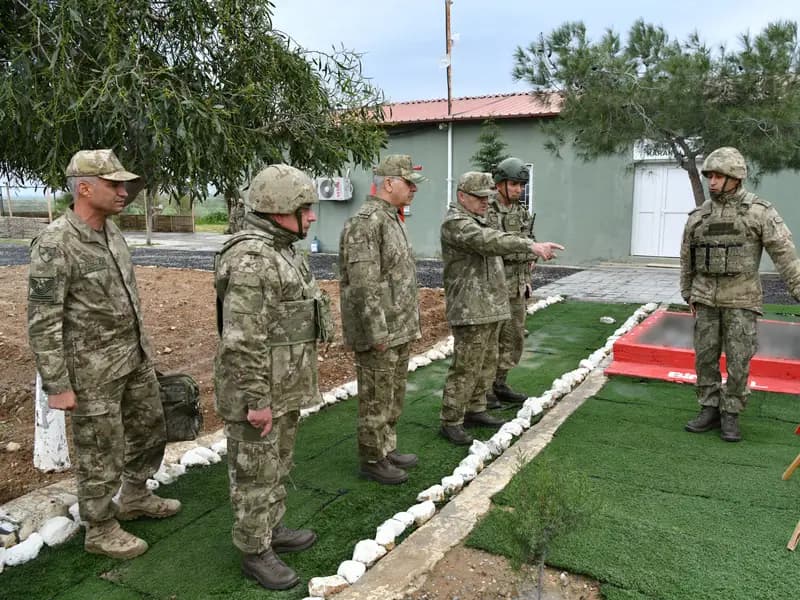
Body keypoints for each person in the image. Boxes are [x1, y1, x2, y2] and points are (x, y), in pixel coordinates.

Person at [27, 149, 180, 560]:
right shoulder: (55, 244)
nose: (123, 192)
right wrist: (57, 385)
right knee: (100, 450)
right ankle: (100, 528)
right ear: (84, 188)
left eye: (124, 185)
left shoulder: (112, 233)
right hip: (91, 372)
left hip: (133, 358)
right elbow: (42, 320)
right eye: (114, 185)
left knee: (150, 428)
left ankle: (134, 495)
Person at [214, 164, 331, 590]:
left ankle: (272, 528)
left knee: (276, 465)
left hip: (283, 386)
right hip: (260, 391)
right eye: (305, 208)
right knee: (254, 473)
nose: (312, 216)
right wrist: (257, 400)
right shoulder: (253, 259)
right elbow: (243, 339)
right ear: (280, 209)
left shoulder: (281, 250)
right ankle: (254, 549)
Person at [681, 146, 800, 442]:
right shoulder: (699, 216)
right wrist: (688, 293)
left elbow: (784, 254)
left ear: (735, 177)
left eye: (718, 176)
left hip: (741, 299)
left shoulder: (759, 212)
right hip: (705, 299)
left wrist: (797, 287)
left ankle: (731, 412)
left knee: (738, 359)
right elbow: (687, 257)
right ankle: (709, 407)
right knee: (704, 357)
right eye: (709, 176)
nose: (711, 182)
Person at [439, 172, 564, 446]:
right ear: (462, 196)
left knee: (486, 362)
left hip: (490, 303)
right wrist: (530, 246)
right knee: (466, 366)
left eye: (488, 197)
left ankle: (476, 409)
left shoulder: (479, 219)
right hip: (470, 307)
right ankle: (451, 420)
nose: (486, 202)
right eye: (480, 197)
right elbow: (489, 240)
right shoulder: (456, 223)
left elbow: (497, 238)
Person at [339, 154, 426, 485]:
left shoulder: (392, 219)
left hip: (398, 326)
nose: (414, 189)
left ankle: (387, 447)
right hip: (381, 331)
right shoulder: (366, 222)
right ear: (389, 183)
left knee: (393, 393)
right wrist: (377, 332)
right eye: (409, 183)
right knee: (376, 397)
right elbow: (364, 284)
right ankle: (372, 458)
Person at [485, 157, 536, 408]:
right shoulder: (487, 210)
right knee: (491, 340)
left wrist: (531, 262)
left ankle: (500, 383)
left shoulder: (521, 211)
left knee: (513, 338)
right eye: (514, 184)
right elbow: (491, 244)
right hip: (494, 286)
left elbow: (529, 239)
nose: (518, 189)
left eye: (521, 185)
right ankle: (483, 391)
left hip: (517, 284)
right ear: (500, 183)